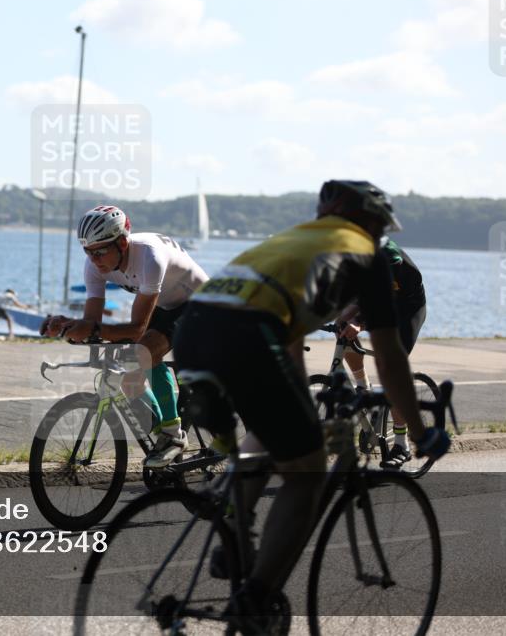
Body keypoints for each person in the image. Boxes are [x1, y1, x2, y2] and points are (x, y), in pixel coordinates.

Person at [172, 179, 450, 631]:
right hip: (249, 335)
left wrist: (299, 400)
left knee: (269, 434)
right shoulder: (368, 255)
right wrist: (420, 433)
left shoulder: (297, 241)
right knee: (308, 476)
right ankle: (256, 597)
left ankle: (234, 530)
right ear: (372, 224)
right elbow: (393, 361)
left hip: (194, 329)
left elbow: (291, 334)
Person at [42, 205, 209, 469]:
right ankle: (161, 431)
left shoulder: (149, 257)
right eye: (87, 251)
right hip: (166, 306)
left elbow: (137, 329)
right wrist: (66, 327)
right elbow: (92, 323)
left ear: (122, 242)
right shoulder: (95, 265)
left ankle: (174, 436)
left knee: (143, 353)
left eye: (100, 251)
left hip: (200, 304)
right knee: (130, 377)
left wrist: (92, 329)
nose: (94, 259)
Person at [337, 236, 427, 468]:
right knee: (341, 326)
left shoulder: (385, 250)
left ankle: (401, 444)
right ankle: (363, 386)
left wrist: (361, 320)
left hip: (406, 306)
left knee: (392, 373)